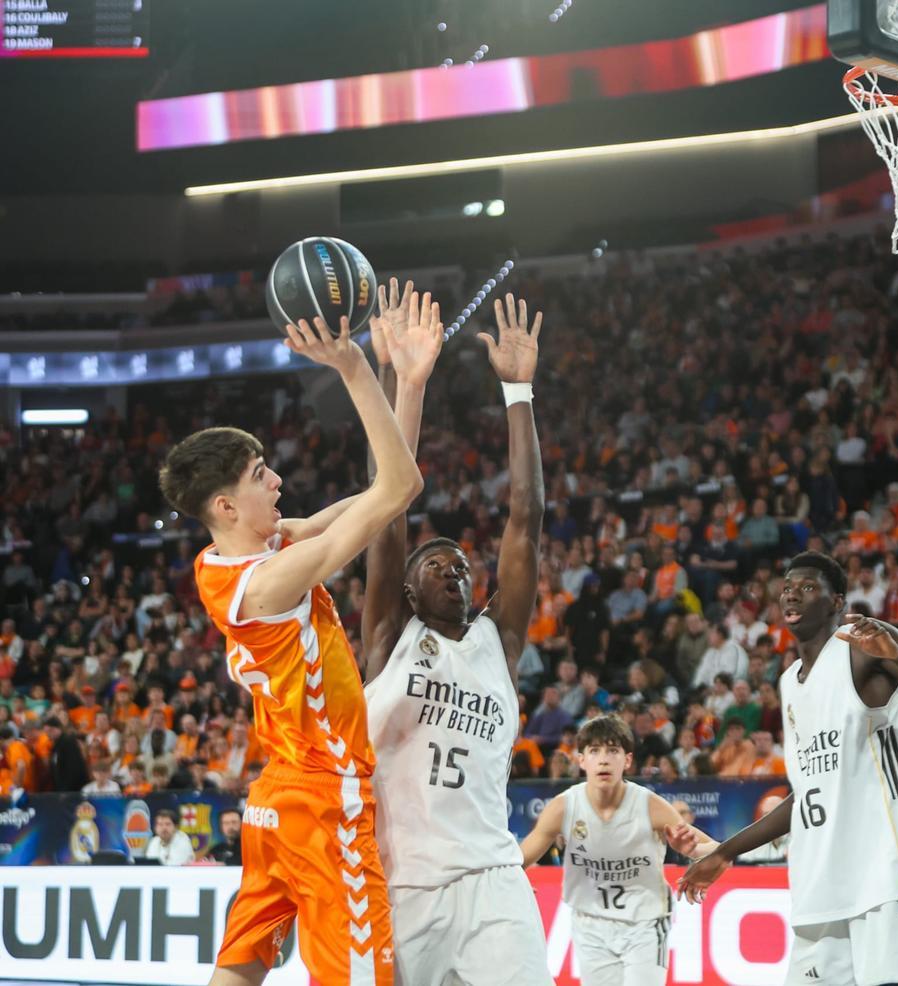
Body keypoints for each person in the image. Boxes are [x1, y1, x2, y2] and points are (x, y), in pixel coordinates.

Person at [158, 296, 429, 985]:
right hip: (324, 794)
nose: (277, 481)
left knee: (241, 971)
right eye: (259, 477)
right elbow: (401, 488)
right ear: (225, 506)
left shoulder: (230, 560)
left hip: (275, 797)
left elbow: (382, 492)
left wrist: (411, 384)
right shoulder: (272, 581)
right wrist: (356, 366)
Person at [360, 289, 552, 985]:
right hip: (405, 884)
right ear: (407, 590)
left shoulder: (496, 643)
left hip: (494, 877)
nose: (456, 569)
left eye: (462, 565)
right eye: (435, 563)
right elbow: (387, 502)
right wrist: (394, 375)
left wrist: (518, 389)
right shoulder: (388, 637)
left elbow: (525, 517)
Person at [679, 551, 898, 986]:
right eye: (786, 589)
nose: (792, 595)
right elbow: (807, 793)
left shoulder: (864, 648)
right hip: (826, 879)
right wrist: (726, 851)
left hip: (895, 871)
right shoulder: (788, 682)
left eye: (807, 587)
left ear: (837, 601)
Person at [519, 715, 716, 986]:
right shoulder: (564, 807)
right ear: (582, 760)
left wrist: (688, 849)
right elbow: (519, 861)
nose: (603, 759)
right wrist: (512, 882)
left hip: (644, 924)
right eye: (595, 751)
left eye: (613, 750)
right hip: (590, 926)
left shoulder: (649, 805)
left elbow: (715, 850)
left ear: (627, 760)